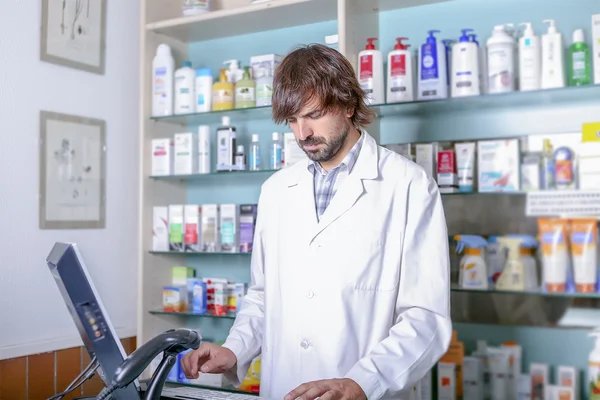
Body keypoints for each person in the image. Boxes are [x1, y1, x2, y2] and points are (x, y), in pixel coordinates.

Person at [181, 44, 452, 400]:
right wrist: (234, 350)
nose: (302, 133)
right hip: (283, 388)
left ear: (349, 105)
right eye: (292, 119)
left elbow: (425, 317)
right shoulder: (277, 189)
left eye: (313, 115)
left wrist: (362, 382)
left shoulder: (409, 185)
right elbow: (263, 297)